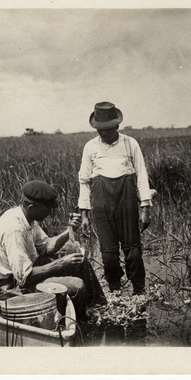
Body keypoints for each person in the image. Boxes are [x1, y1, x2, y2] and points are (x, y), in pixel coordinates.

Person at [0, 180, 106, 319]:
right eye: (46, 209)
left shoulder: (28, 219)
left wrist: (70, 229)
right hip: (7, 288)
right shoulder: (15, 230)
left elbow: (47, 247)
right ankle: (83, 323)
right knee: (76, 287)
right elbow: (25, 278)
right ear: (30, 206)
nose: (49, 212)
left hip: (21, 275)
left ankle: (98, 306)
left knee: (75, 255)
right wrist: (62, 263)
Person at [78, 101, 152, 295]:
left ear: (116, 126)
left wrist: (145, 208)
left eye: (108, 129)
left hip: (126, 201)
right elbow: (84, 181)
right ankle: (115, 290)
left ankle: (139, 290)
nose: (103, 133)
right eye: (100, 130)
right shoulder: (90, 147)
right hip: (101, 203)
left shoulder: (130, 143)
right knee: (108, 255)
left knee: (133, 251)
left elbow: (142, 175)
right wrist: (84, 215)